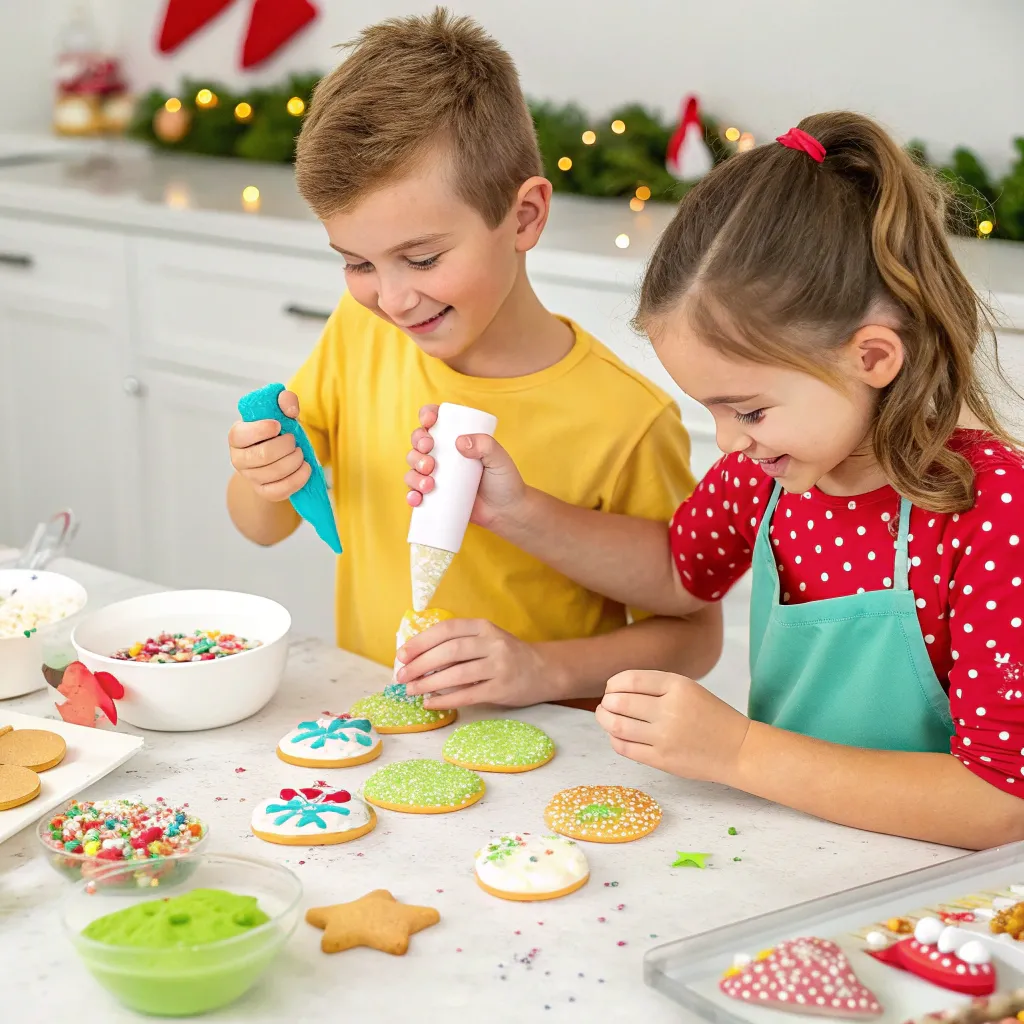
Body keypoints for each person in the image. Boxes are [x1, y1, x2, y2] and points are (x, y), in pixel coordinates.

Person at [403, 111, 1024, 848]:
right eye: (715, 412)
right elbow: (675, 571)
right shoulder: (765, 476)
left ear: (873, 358)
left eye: (750, 409)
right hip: (791, 844)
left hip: (944, 899)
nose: (730, 442)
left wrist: (735, 751)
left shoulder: (993, 511)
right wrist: (517, 510)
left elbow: (1002, 803)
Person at [225, 8, 721, 711]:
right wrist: (263, 472)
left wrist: (540, 670)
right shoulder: (358, 334)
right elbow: (262, 526)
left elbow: (694, 636)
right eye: (358, 262)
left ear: (524, 218)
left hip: (548, 765)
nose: (393, 299)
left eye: (422, 258)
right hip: (379, 732)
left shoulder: (627, 419)